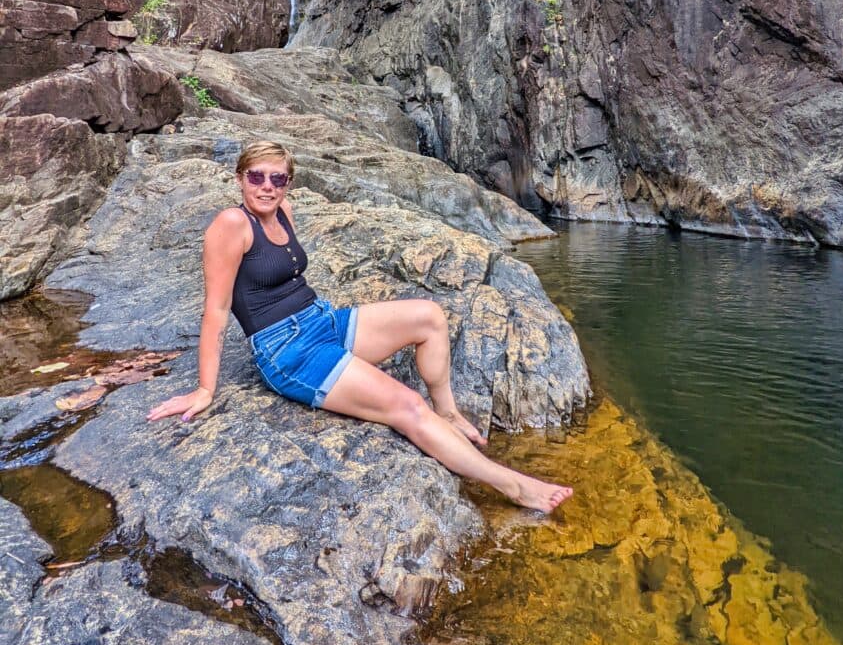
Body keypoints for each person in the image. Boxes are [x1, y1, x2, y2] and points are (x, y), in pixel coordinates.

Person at [147, 140, 572, 513]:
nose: (267, 187)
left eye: (278, 179)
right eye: (256, 176)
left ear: (288, 184)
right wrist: (205, 389)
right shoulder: (231, 225)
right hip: (289, 351)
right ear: (240, 178)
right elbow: (216, 310)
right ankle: (514, 486)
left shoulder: (283, 212)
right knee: (407, 406)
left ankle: (448, 413)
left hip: (322, 321)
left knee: (429, 316)